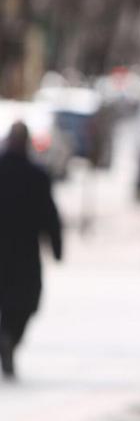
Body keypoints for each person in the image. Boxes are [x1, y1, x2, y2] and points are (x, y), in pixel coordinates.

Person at [0, 122, 63, 380]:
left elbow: (49, 212)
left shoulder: (36, 175)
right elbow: (51, 216)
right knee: (25, 301)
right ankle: (10, 338)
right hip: (25, 253)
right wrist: (57, 246)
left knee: (23, 301)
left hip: (18, 249)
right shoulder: (36, 174)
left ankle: (7, 338)